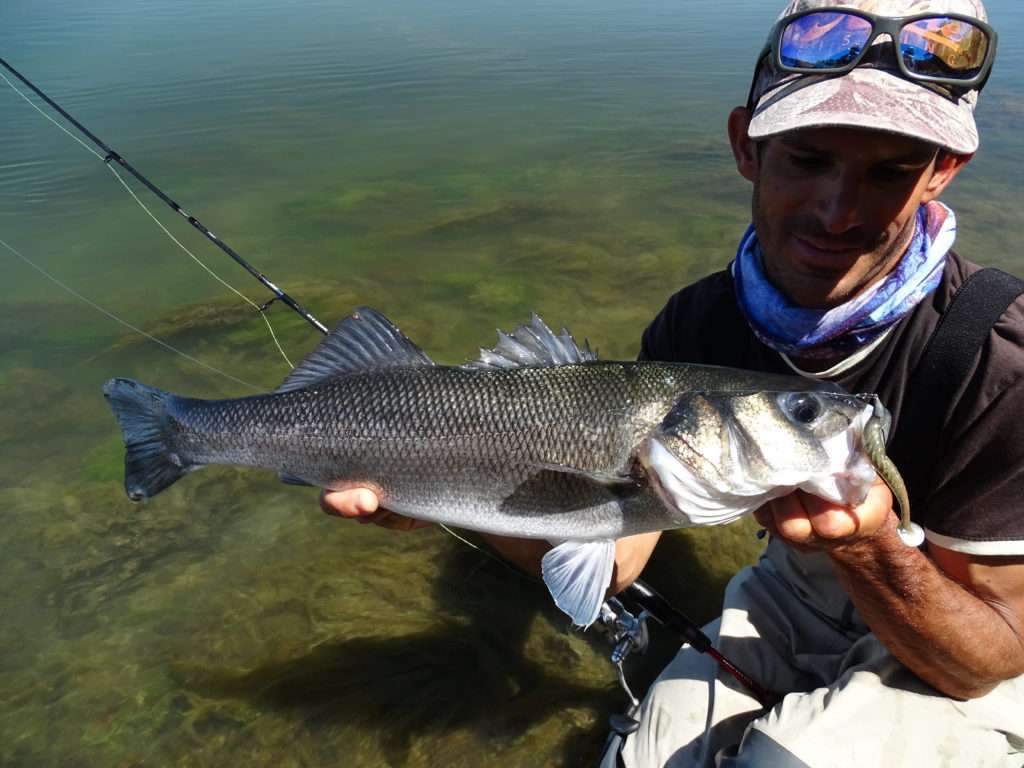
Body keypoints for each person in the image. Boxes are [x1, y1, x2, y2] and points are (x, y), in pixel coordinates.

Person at [321, 0, 1024, 764]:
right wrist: (451, 487)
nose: (836, 210)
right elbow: (616, 558)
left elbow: (984, 661)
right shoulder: (701, 322)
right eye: (808, 158)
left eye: (888, 172)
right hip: (792, 594)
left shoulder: (1000, 357)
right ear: (746, 145)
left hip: (963, 635)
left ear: (942, 173)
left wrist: (868, 546)